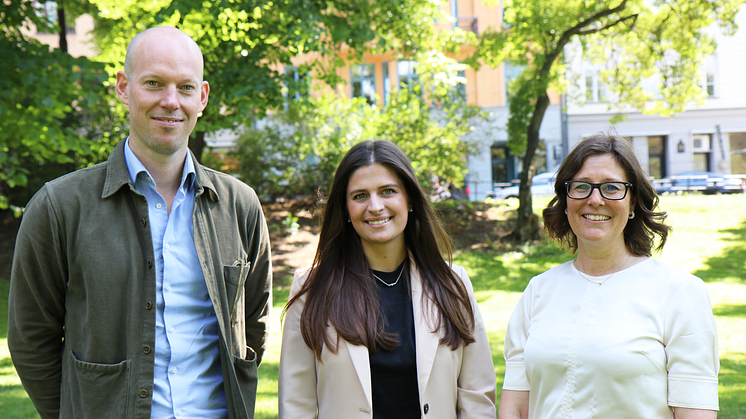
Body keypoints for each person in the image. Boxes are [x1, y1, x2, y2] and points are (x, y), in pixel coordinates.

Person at [8, 26, 272, 419]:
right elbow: (32, 339)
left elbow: (255, 324)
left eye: (185, 87)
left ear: (202, 97)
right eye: (154, 83)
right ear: (123, 87)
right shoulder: (59, 206)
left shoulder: (239, 205)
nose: (170, 101)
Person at [498, 133, 719, 419]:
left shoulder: (679, 292)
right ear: (566, 200)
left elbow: (694, 412)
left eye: (612, 188)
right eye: (581, 186)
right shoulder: (538, 290)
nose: (595, 199)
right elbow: (515, 407)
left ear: (632, 202)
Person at [278, 140, 496, 419]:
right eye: (360, 196)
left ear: (410, 200)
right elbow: (296, 405)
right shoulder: (312, 289)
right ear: (345, 209)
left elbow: (477, 398)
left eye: (388, 191)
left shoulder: (453, 283)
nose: (375, 206)